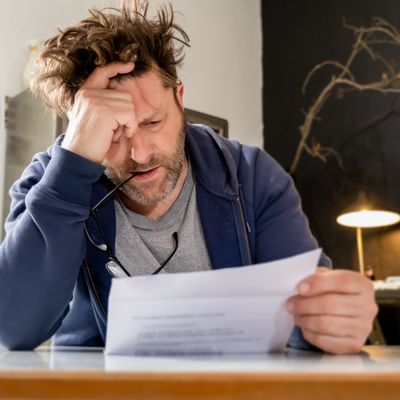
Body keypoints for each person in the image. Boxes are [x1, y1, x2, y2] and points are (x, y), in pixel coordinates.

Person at [0, 1, 377, 354]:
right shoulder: (51, 180)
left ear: (180, 99)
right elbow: (14, 329)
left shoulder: (253, 176)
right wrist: (73, 165)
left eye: (153, 122)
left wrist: (330, 323)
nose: (141, 153)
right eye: (113, 132)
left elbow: (301, 319)